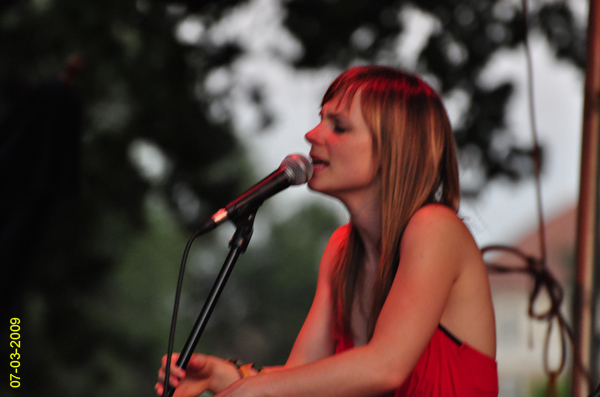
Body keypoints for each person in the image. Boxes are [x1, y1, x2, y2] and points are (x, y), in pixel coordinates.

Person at [156, 65, 498, 397]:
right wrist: (226, 375)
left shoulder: (434, 228)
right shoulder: (341, 249)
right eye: (321, 119)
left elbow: (385, 368)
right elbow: (302, 376)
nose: (312, 134)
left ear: (393, 150)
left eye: (339, 126)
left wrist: (258, 388)